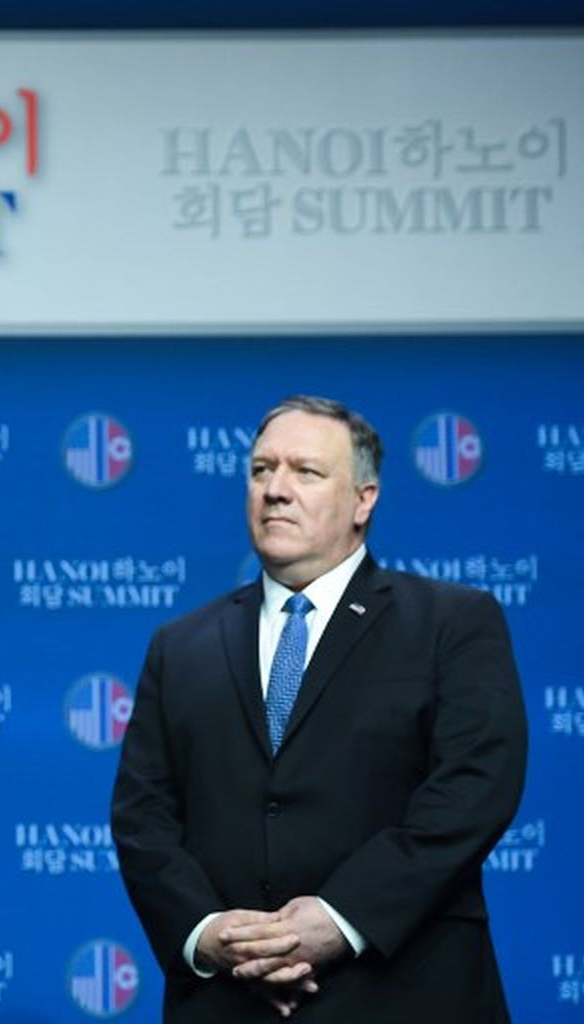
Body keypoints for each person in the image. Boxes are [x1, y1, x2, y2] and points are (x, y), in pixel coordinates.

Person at [110, 395, 527, 1023]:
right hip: (230, 1001)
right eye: (261, 470)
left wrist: (340, 918)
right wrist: (211, 934)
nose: (276, 489)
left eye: (305, 471)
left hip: (405, 994)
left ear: (364, 499)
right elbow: (143, 815)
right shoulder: (181, 646)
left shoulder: (452, 622)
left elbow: (474, 789)